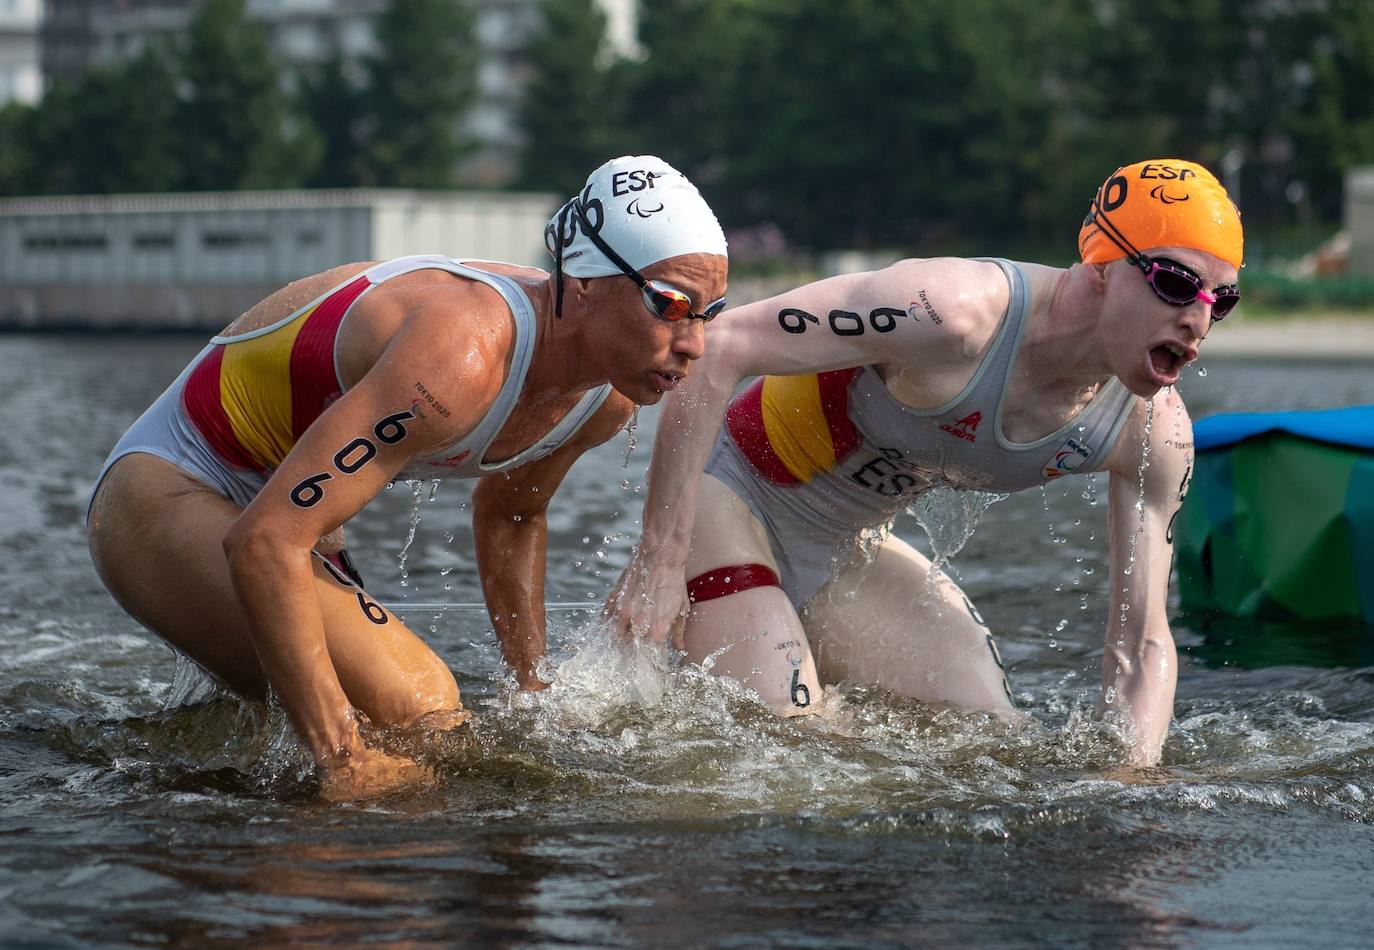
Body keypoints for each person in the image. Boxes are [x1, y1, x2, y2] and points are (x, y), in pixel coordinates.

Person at [87, 156, 728, 799]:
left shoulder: (606, 398)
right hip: (170, 490)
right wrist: (343, 760)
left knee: (395, 732)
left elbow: (510, 515)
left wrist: (533, 694)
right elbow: (265, 542)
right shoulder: (460, 357)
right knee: (418, 707)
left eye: (710, 312)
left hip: (288, 516)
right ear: (583, 281)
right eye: (671, 304)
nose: (694, 343)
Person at [609, 158, 1242, 766]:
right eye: (1175, 283)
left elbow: (1140, 644)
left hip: (846, 549)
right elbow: (717, 348)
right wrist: (658, 560)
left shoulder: (1153, 432)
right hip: (733, 499)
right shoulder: (952, 313)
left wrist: (1129, 788)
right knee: (792, 746)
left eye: (1222, 298)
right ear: (1101, 263)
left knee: (992, 738)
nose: (1196, 319)